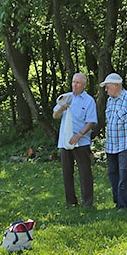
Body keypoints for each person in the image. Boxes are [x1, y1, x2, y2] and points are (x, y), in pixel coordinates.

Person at [52, 73, 97, 207]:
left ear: (84, 85)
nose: (74, 85)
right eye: (73, 82)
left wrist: (79, 135)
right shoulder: (65, 97)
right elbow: (55, 115)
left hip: (81, 142)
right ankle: (70, 201)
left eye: (77, 83)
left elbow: (91, 121)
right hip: (65, 141)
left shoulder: (89, 101)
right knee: (67, 172)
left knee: (85, 173)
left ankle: (87, 202)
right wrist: (62, 107)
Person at [100, 72, 127, 210]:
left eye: (107, 87)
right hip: (111, 144)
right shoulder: (110, 101)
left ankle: (123, 206)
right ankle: (117, 201)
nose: (106, 90)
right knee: (112, 173)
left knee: (123, 173)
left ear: (116, 85)